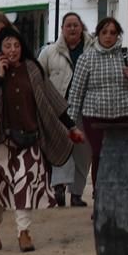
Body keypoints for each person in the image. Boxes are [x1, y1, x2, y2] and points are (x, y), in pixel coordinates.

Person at [0, 26, 84, 253]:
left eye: (16, 45)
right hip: (0, 141)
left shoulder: (33, 69)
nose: (12, 50)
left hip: (30, 139)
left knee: (25, 185)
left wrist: (71, 126)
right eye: (7, 46)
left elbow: (51, 100)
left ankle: (24, 233)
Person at [65, 16, 128, 193]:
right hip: (95, 117)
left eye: (112, 33)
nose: (108, 37)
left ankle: (122, 196)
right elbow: (76, 91)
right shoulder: (87, 58)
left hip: (123, 114)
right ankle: (101, 197)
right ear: (97, 34)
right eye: (104, 32)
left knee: (122, 156)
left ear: (118, 35)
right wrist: (71, 123)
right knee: (99, 154)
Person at [40, 13, 91, 207]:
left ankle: (77, 193)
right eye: (68, 25)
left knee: (83, 152)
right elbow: (39, 77)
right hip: (58, 108)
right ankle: (58, 188)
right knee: (60, 149)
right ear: (62, 28)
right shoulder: (49, 52)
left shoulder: (92, 49)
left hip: (86, 108)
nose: (72, 29)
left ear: (81, 27)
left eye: (75, 25)